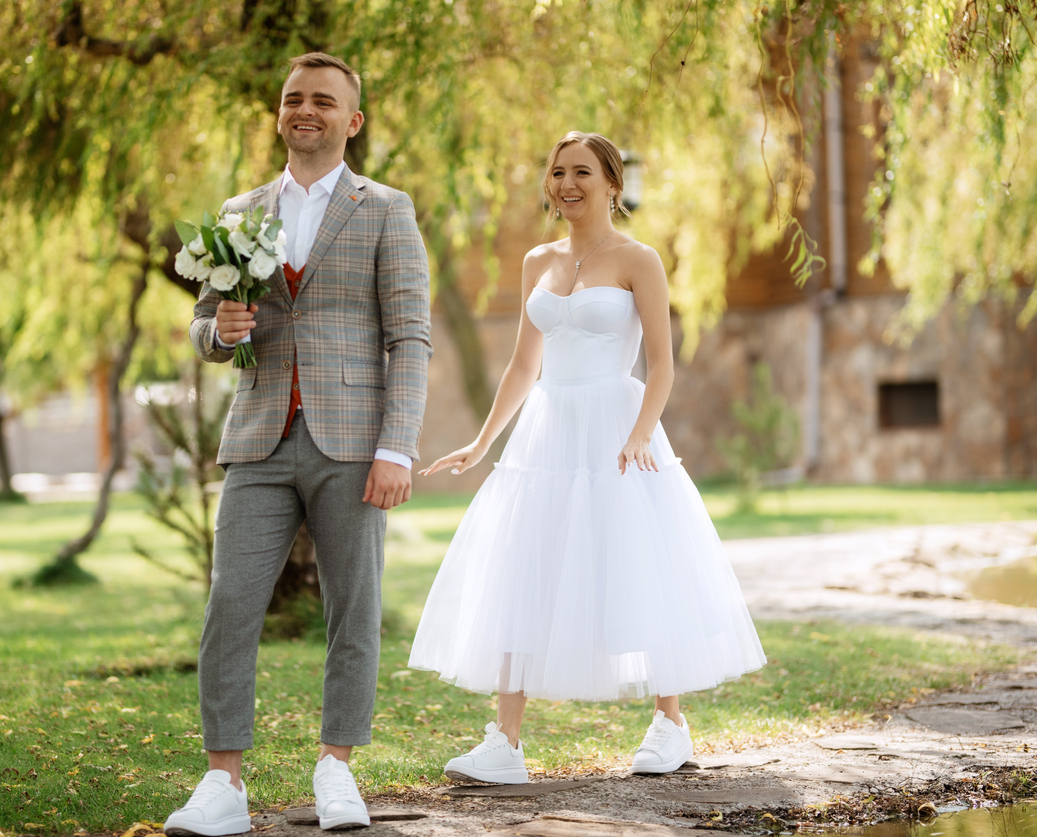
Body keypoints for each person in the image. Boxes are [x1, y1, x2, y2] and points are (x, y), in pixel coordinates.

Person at [408, 131, 765, 782]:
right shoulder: (535, 261)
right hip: (548, 428)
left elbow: (660, 365)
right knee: (525, 565)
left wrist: (637, 432)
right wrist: (483, 441)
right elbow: (522, 364)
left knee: (638, 560)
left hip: (619, 427)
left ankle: (669, 720)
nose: (565, 184)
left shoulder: (638, 260)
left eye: (580, 172)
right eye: (555, 173)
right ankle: (504, 741)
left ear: (611, 184)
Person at [164, 53, 432, 835]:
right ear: (279, 114)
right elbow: (202, 328)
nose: (304, 110)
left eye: (323, 100)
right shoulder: (240, 208)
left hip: (353, 442)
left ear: (352, 121)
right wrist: (220, 330)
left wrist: (398, 447)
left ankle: (336, 769)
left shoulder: (386, 207)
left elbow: (410, 336)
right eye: (292, 99)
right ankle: (223, 785)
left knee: (353, 608)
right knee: (228, 607)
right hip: (257, 437)